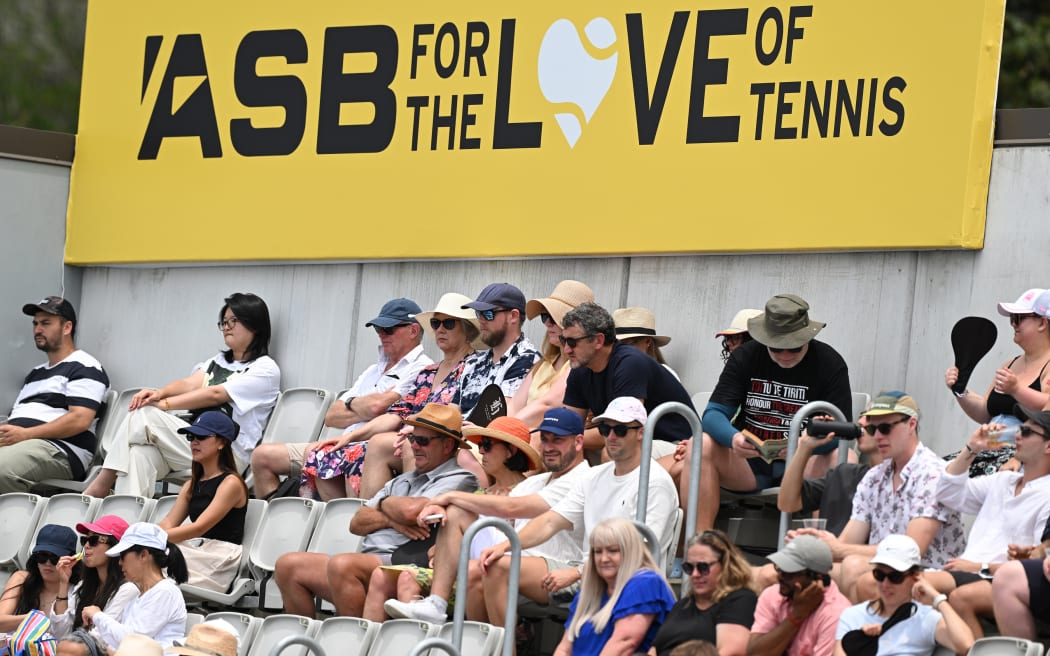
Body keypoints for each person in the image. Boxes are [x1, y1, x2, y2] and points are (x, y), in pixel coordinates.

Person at [383, 408, 592, 626]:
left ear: (578, 442)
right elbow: (497, 518)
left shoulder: (582, 478)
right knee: (458, 518)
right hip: (517, 559)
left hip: (557, 565)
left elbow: (512, 508)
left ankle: (494, 645)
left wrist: (448, 496)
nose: (548, 447)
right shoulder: (536, 482)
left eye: (557, 440)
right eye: (545, 439)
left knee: (480, 567)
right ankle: (437, 606)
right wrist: (447, 541)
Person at [273, 403, 478, 618]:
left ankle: (356, 640)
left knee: (343, 565)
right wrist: (392, 519)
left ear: (447, 446)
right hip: (372, 559)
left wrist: (383, 503)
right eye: (412, 439)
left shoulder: (460, 478)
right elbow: (357, 522)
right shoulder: (403, 479)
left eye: (423, 441)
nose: (415, 446)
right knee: (288, 566)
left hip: (404, 559)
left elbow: (412, 511)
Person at [477, 398, 680, 613]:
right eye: (605, 428)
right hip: (592, 576)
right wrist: (506, 546)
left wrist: (577, 573)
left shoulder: (655, 482)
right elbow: (550, 521)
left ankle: (503, 645)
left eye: (620, 430)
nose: (610, 436)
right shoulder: (594, 476)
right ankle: (495, 645)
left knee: (498, 568)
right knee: (487, 566)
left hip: (629, 583)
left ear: (641, 432)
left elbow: (640, 554)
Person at [85, 292, 279, 497]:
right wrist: (158, 393)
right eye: (224, 322)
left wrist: (164, 405)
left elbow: (215, 394)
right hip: (192, 444)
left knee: (144, 414)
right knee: (138, 455)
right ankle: (125, 522)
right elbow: (189, 384)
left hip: (226, 454)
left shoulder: (265, 369)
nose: (227, 327)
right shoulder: (216, 362)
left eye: (234, 320)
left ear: (255, 325)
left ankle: (103, 482)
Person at [786, 392, 965, 603]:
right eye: (872, 429)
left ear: (911, 424)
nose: (878, 435)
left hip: (926, 571)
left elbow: (911, 551)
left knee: (853, 567)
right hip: (882, 567)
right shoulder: (874, 477)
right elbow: (845, 544)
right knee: (793, 573)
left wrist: (838, 549)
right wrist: (819, 547)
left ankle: (850, 634)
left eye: (885, 428)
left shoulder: (932, 473)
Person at [695, 294, 853, 531]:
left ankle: (824, 554)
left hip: (804, 464)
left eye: (794, 348)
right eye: (776, 348)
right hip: (749, 462)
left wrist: (804, 446)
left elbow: (841, 431)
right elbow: (713, 415)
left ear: (807, 337)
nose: (786, 356)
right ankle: (700, 550)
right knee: (701, 445)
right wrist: (734, 438)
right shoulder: (746, 355)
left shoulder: (830, 363)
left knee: (846, 460)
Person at [249, 297, 431, 499]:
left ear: (413, 331)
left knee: (324, 453)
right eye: (378, 330)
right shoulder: (373, 369)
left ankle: (338, 520)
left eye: (388, 330)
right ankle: (284, 521)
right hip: (343, 442)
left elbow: (377, 408)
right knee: (262, 456)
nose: (381, 335)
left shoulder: (421, 367)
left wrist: (354, 405)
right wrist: (362, 404)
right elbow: (332, 416)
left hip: (367, 445)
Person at [362, 416, 538, 621]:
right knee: (387, 576)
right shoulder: (481, 493)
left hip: (499, 572)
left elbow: (526, 541)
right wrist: (439, 550)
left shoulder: (532, 490)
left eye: (487, 445)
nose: (480, 451)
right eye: (480, 445)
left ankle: (431, 636)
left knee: (408, 577)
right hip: (464, 570)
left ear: (511, 450)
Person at [325, 293, 479, 500]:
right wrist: (349, 436)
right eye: (435, 323)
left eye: (449, 323)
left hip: (445, 440)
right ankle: (370, 519)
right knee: (356, 446)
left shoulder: (475, 367)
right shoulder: (428, 372)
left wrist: (416, 428)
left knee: (391, 444)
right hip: (413, 436)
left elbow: (463, 414)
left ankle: (406, 512)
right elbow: (396, 414)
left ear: (467, 329)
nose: (440, 329)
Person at [919, 405, 1050, 637]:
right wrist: (972, 449)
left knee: (914, 585)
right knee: (897, 584)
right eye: (1020, 428)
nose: (1018, 434)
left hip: (997, 578)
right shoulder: (1004, 479)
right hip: (968, 570)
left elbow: (1039, 559)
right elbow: (947, 493)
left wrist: (981, 567)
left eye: (1028, 432)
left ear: (1048, 446)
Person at [0, 296, 109, 492]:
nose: (37, 330)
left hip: (60, 449)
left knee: (2, 468)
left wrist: (26, 434)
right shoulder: (35, 373)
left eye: (45, 323)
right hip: (21, 444)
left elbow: (80, 420)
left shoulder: (85, 366)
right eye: (35, 324)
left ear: (67, 328)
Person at [561, 302, 696, 459]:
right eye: (563, 341)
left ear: (598, 341)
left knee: (612, 453)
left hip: (676, 444)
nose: (566, 350)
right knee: (549, 446)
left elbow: (623, 430)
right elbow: (570, 425)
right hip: (629, 439)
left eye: (572, 342)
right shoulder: (581, 367)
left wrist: (567, 438)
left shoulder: (631, 363)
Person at [946, 288, 1050, 474]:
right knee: (941, 473)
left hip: (1022, 455)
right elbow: (987, 412)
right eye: (1012, 319)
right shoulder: (1010, 364)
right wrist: (961, 391)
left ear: (1042, 323)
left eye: (1019, 318)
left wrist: (1016, 389)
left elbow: (1047, 411)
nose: (1013, 324)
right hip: (989, 446)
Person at [553, 518, 676, 656]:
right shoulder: (587, 594)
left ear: (630, 552)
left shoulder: (646, 583)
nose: (604, 559)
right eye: (598, 552)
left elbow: (624, 643)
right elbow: (564, 648)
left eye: (613, 551)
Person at [834, 534, 974, 656]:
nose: (885, 584)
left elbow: (966, 646)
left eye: (895, 577)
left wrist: (937, 599)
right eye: (880, 575)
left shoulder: (925, 618)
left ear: (915, 577)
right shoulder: (852, 615)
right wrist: (859, 643)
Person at [156, 411, 248, 593]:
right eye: (191, 436)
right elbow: (168, 522)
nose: (194, 442)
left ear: (222, 442)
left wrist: (154, 538)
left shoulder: (231, 483)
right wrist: (147, 534)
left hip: (218, 559)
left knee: (146, 563)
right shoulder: (191, 484)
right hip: (199, 551)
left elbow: (200, 528)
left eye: (202, 436)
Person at [650, 530, 758, 656]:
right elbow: (654, 650)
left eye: (703, 567)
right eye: (689, 568)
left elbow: (732, 652)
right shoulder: (684, 604)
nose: (695, 574)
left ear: (725, 564)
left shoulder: (739, 600)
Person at [86, 523, 188, 650]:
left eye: (123, 556)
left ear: (143, 555)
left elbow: (133, 640)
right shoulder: (140, 595)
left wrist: (97, 615)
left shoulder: (165, 591)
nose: (120, 562)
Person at [510, 280, 594, 431]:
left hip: (546, 443)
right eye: (544, 316)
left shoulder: (580, 366)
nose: (547, 323)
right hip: (520, 438)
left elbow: (547, 405)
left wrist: (502, 431)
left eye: (555, 318)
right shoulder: (543, 364)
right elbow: (514, 405)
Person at [749, 535, 851, 656]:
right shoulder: (772, 595)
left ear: (817, 577)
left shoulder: (836, 613)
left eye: (789, 573)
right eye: (779, 568)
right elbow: (754, 653)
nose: (780, 576)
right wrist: (797, 615)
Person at [456, 282, 541, 413]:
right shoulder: (473, 362)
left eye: (488, 314)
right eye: (478, 314)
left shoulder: (528, 359)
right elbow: (453, 411)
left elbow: (500, 414)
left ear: (514, 316)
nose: (481, 320)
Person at [50, 516, 137, 640]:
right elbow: (60, 633)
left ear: (115, 546)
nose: (86, 546)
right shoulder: (83, 585)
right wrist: (63, 584)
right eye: (84, 540)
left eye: (94, 540)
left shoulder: (128, 589)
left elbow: (101, 637)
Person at [0, 524, 79, 631]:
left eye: (55, 558)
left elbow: (61, 633)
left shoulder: (77, 590)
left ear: (70, 559)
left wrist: (63, 583)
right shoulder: (21, 578)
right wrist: (33, 619)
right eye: (42, 556)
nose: (47, 563)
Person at [613, 307, 679, 379]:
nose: (620, 350)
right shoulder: (612, 371)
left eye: (628, 345)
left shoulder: (665, 374)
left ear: (648, 342)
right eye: (616, 344)